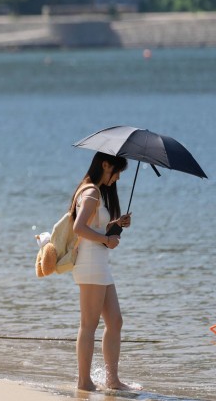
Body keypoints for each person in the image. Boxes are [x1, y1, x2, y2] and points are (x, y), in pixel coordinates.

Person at [71, 152, 135, 392]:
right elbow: (79, 228)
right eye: (116, 171)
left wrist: (115, 225)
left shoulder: (93, 191)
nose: (117, 178)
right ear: (105, 164)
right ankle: (84, 382)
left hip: (99, 264)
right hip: (90, 264)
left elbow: (93, 226)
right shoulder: (91, 192)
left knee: (115, 321)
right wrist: (106, 240)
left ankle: (112, 380)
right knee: (89, 324)